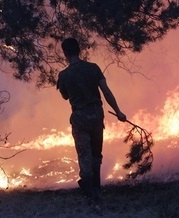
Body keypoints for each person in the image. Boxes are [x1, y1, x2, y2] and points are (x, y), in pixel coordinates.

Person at [57, 38, 126, 206]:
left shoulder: (64, 75)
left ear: (65, 53)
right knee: (96, 155)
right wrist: (118, 112)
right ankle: (96, 188)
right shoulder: (93, 69)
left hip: (80, 118)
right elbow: (106, 93)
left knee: (84, 155)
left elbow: (65, 96)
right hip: (96, 115)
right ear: (79, 50)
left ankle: (89, 192)